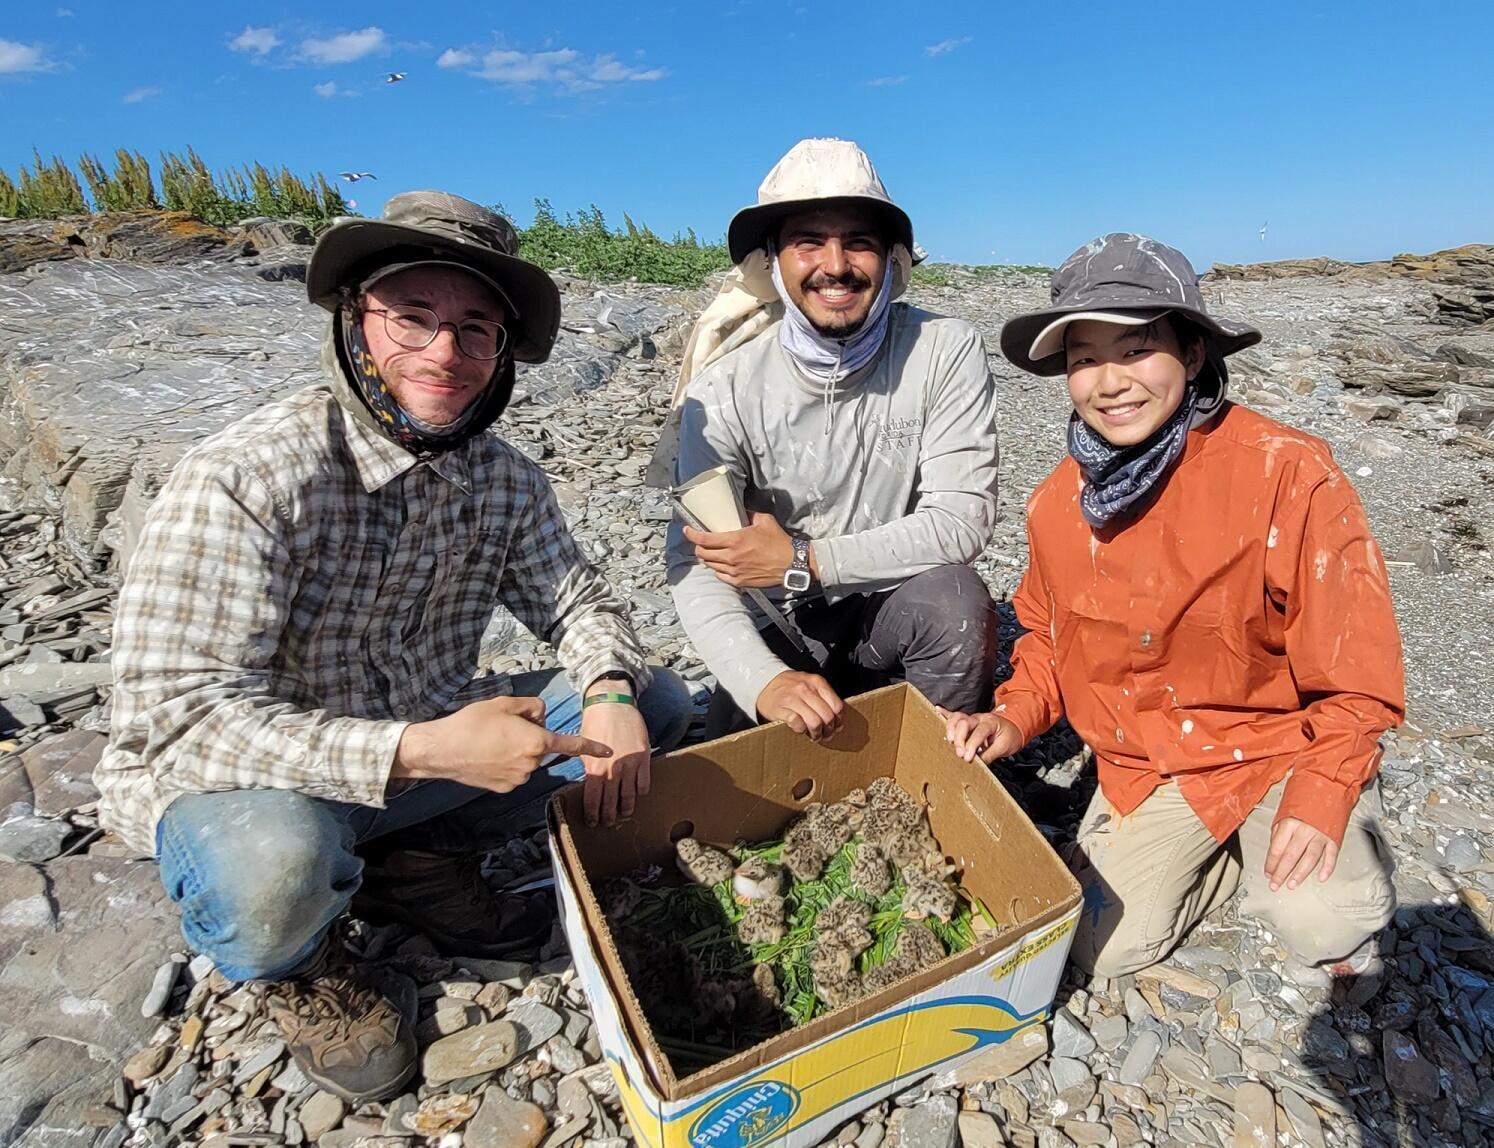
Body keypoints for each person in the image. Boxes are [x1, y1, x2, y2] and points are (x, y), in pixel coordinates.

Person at [95, 192, 692, 1101]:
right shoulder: (248, 476)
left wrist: (607, 681)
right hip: (267, 788)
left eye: (474, 329)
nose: (444, 354)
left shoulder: (502, 479)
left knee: (654, 708)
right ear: (353, 321)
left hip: (418, 765)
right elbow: (177, 720)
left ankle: (415, 864)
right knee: (272, 874)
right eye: (411, 318)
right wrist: (424, 748)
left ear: (501, 353)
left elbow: (577, 599)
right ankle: (305, 964)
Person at [945, 233, 1403, 988]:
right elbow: (1046, 640)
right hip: (1152, 762)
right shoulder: (1058, 503)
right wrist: (1013, 717)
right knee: (1098, 947)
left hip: (1278, 742)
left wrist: (1321, 794)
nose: (1110, 382)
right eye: (1085, 358)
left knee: (1325, 919)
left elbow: (1359, 678)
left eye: (1135, 349)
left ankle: (1321, 822)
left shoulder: (1289, 471)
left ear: (1192, 355)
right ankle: (1220, 857)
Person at [666, 138, 1000, 740]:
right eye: (809, 241)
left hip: (890, 604)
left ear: (890, 260)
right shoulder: (722, 390)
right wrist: (761, 679)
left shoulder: (945, 349)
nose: (837, 264)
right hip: (780, 622)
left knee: (957, 603)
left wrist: (805, 562)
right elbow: (694, 560)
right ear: (772, 260)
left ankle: (924, 764)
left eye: (860, 242)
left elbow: (962, 520)